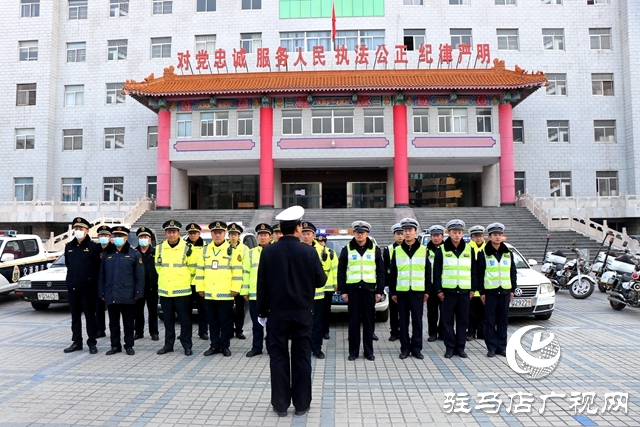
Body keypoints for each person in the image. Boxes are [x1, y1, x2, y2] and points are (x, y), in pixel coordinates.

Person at [257, 206, 326, 417]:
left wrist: (262, 312)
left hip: (276, 313)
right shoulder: (309, 250)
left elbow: (261, 285)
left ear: (279, 228)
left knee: (278, 357)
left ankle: (280, 405)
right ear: (298, 228)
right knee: (302, 357)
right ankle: (302, 404)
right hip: (303, 313)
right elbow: (321, 280)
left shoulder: (268, 251)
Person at [337, 221, 385, 361]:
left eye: (362, 232)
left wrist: (379, 291)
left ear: (367, 234)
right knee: (353, 323)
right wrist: (343, 291)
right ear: (354, 233)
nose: (360, 234)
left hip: (369, 291)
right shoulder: (347, 249)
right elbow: (341, 272)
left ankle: (369, 352)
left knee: (369, 323)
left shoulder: (375, 249)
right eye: (357, 232)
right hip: (352, 291)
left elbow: (381, 272)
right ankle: (353, 352)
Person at [432, 219, 477, 359]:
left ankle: (460, 348)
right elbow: (437, 272)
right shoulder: (442, 250)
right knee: (447, 321)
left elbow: (474, 271)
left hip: (464, 292)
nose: (457, 235)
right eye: (454, 232)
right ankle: (450, 348)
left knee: (463, 321)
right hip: (448, 293)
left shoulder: (469, 250)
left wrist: (473, 289)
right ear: (448, 233)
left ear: (462, 233)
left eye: (459, 232)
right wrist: (438, 290)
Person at [196, 221, 242, 357]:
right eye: (215, 233)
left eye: (220, 233)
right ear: (211, 234)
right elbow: (200, 271)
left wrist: (235, 288)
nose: (217, 235)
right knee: (213, 322)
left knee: (225, 322)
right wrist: (200, 288)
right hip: (209, 293)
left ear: (225, 234)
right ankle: (214, 345)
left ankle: (225, 345)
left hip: (226, 293)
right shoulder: (205, 250)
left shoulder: (232, 250)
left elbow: (237, 271)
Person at [98, 226, 144, 355]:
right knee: (113, 323)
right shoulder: (108, 254)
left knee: (128, 323)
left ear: (126, 238)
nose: (118, 238)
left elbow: (139, 276)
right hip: (111, 293)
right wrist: (102, 292)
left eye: (120, 236)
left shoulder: (134, 253)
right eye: (115, 236)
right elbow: (102, 275)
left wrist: (137, 293)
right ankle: (115, 345)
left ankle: (128, 345)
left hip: (128, 295)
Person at [388, 218, 430, 360]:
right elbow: (393, 273)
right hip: (402, 292)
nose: (407, 233)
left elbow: (427, 272)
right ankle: (405, 348)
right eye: (404, 231)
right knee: (403, 321)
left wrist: (427, 291)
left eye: (409, 230)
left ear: (415, 232)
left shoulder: (424, 250)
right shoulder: (397, 250)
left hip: (418, 292)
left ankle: (417, 348)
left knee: (417, 321)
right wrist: (393, 291)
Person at [477, 223, 518, 358]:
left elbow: (513, 272)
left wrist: (513, 289)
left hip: (505, 292)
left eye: (500, 235)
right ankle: (491, 347)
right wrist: (482, 292)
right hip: (490, 292)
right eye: (495, 235)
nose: (498, 237)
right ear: (489, 237)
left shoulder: (508, 253)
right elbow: (479, 273)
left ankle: (502, 347)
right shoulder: (483, 253)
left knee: (502, 321)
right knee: (490, 321)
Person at [155, 220, 194, 356]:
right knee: (168, 321)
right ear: (165, 233)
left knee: (185, 321)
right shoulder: (159, 248)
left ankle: (187, 345)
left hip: (183, 291)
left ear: (179, 233)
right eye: (169, 232)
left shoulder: (188, 248)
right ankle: (168, 345)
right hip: (165, 291)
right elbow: (158, 267)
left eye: (174, 232)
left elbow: (193, 269)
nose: (171, 234)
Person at [64, 217, 102, 354]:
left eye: (81, 229)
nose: (78, 231)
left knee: (90, 317)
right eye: (76, 229)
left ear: (87, 231)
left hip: (88, 289)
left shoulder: (93, 248)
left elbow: (97, 269)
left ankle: (92, 342)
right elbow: (69, 266)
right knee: (75, 317)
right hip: (73, 288)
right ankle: (76, 342)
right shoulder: (69, 247)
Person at [241, 223, 273, 357]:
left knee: (272, 325)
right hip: (255, 295)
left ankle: (272, 347)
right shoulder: (251, 253)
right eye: (260, 235)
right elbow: (245, 272)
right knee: (256, 324)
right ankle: (256, 347)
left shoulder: (275, 251)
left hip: (273, 296)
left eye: (265, 235)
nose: (263, 237)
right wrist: (245, 291)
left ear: (270, 237)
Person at [300, 221, 326, 359]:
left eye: (308, 233)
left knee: (317, 324)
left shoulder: (323, 250)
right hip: (301, 295)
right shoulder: (296, 250)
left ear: (314, 235)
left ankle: (317, 348)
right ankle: (304, 348)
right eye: (303, 233)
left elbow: (324, 273)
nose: (306, 236)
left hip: (318, 294)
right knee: (302, 324)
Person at [184, 222, 209, 341]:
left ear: (199, 233)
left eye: (194, 233)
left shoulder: (206, 247)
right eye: (190, 233)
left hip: (200, 283)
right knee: (186, 311)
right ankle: (186, 332)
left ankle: (203, 332)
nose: (192, 235)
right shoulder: (183, 246)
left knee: (202, 309)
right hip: (186, 283)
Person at [134, 227, 159, 341]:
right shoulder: (134, 253)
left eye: (145, 237)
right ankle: (138, 332)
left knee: (153, 311)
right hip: (138, 287)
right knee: (138, 312)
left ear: (150, 239)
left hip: (152, 287)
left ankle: (154, 332)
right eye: (141, 237)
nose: (143, 239)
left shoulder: (156, 252)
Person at [315, 233, 338, 341]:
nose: (321, 243)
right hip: (316, 287)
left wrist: (335, 283)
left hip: (328, 287)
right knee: (316, 312)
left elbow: (335, 269)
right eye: (319, 241)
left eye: (323, 241)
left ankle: (325, 331)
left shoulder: (331, 253)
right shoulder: (313, 252)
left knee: (326, 311)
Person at [228, 222, 248, 340]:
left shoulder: (245, 249)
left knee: (240, 310)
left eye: (235, 234)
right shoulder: (224, 247)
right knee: (228, 309)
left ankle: (239, 330)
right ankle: (229, 330)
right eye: (231, 234)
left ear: (239, 235)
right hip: (227, 283)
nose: (233, 236)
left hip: (240, 284)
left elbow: (246, 268)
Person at [383, 223, 403, 341]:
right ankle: (394, 332)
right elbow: (385, 269)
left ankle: (403, 332)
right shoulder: (388, 249)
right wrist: (386, 285)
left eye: (402, 234)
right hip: (393, 285)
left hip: (406, 285)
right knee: (394, 311)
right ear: (394, 235)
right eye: (398, 234)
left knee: (404, 312)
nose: (400, 236)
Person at [425, 225, 445, 342]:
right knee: (432, 312)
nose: (436, 238)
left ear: (442, 236)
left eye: (438, 236)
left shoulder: (447, 250)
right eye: (433, 236)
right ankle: (432, 333)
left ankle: (442, 332)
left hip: (444, 286)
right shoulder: (425, 250)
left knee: (444, 312)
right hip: (431, 286)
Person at [467, 225, 486, 342]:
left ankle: (482, 332)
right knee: (471, 313)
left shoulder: (488, 248)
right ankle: (470, 332)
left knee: (483, 313)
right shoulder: (467, 248)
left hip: (485, 286)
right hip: (471, 287)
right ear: (471, 237)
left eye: (480, 236)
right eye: (475, 236)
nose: (478, 239)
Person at [96, 225, 112, 338]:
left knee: (113, 309)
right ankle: (100, 330)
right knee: (98, 308)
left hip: (111, 282)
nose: (103, 237)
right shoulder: (95, 248)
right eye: (101, 235)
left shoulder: (114, 248)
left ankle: (114, 331)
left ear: (110, 237)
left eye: (105, 235)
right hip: (98, 283)